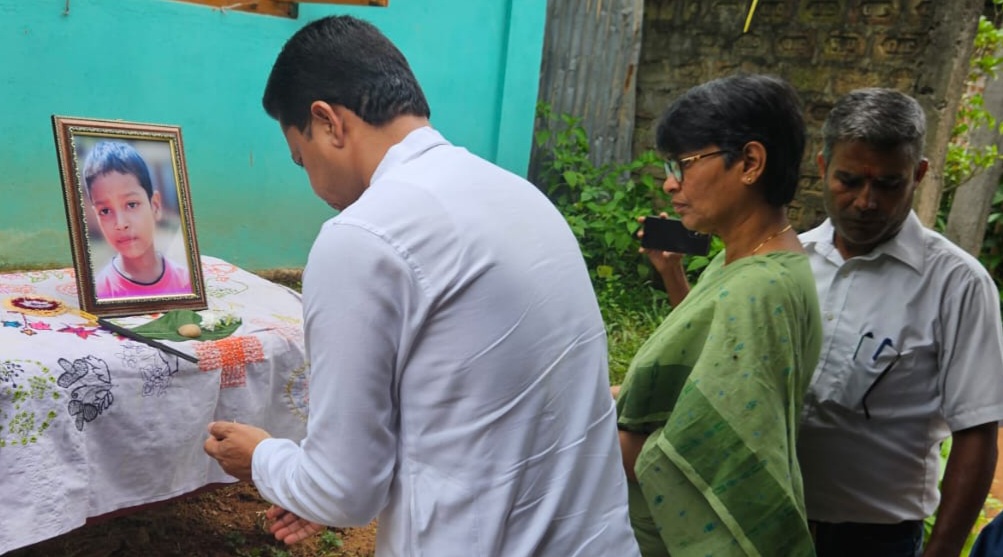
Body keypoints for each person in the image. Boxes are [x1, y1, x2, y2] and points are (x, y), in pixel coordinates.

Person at [202, 15, 639, 557]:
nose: (311, 181)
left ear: (327, 122)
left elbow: (343, 492)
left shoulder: (363, 236)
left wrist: (265, 458)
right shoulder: (520, 196)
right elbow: (469, 405)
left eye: (301, 158)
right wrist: (314, 479)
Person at [614, 73, 823, 556]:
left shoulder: (760, 287)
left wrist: (578, 429)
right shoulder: (746, 261)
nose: (670, 183)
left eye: (683, 164)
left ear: (750, 162)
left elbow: (706, 454)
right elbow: (708, 377)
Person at [797, 87, 1003, 557]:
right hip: (774, 518)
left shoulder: (958, 285)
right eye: (849, 180)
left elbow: (976, 435)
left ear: (920, 174)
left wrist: (943, 549)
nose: (866, 202)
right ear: (822, 165)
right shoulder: (792, 260)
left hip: (875, 539)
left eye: (889, 185)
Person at [82, 140, 191, 299]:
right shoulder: (100, 292)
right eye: (105, 211)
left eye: (131, 205)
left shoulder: (185, 283)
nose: (121, 224)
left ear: (155, 206)